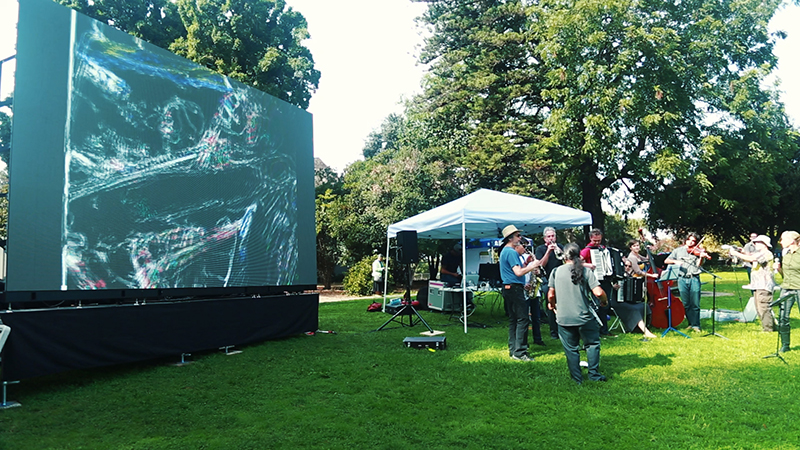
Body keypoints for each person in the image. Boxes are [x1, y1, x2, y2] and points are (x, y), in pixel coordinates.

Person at [547, 243, 608, 384]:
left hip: (563, 318)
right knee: (592, 344)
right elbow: (598, 292)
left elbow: (551, 294)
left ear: (564, 256)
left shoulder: (556, 271)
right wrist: (604, 301)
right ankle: (594, 375)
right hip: (584, 317)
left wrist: (552, 305)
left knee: (571, 349)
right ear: (578, 256)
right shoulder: (585, 272)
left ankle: (576, 379)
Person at [499, 224, 540, 361]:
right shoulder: (511, 252)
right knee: (523, 319)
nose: (520, 238)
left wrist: (525, 264)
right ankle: (520, 352)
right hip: (515, 289)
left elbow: (514, 270)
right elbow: (517, 272)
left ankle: (513, 349)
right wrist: (532, 266)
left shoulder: (504, 251)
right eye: (517, 235)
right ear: (510, 238)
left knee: (513, 320)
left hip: (508, 287)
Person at [728, 235, 776, 332]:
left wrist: (736, 253)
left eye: (758, 242)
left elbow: (752, 259)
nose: (755, 244)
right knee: (759, 308)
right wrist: (742, 252)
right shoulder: (761, 253)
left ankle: (768, 329)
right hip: (758, 285)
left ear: (764, 244)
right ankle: (770, 326)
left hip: (764, 285)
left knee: (764, 308)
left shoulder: (767, 253)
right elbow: (751, 256)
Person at [664, 232, 710, 332]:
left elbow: (698, 265)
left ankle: (696, 325)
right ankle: (690, 323)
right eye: (689, 240)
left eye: (693, 241)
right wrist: (676, 261)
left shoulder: (697, 251)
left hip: (694, 278)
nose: (691, 242)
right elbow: (666, 261)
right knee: (686, 303)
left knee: (695, 303)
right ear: (686, 240)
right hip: (682, 279)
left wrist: (701, 257)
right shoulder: (678, 251)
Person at [580, 228, 614, 336]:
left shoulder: (603, 249)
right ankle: (597, 330)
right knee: (597, 306)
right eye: (595, 241)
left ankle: (604, 330)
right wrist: (588, 265)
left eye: (599, 240)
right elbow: (576, 262)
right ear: (590, 238)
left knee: (605, 304)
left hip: (605, 278)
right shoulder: (587, 250)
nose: (597, 243)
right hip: (594, 280)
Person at [611, 257, 657, 338]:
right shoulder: (616, 276)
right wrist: (613, 287)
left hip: (628, 301)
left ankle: (642, 327)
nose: (627, 268)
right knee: (634, 309)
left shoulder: (631, 276)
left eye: (630, 266)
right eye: (626, 266)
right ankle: (645, 331)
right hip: (617, 302)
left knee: (644, 305)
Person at [536, 226, 564, 340]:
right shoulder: (540, 249)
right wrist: (548, 251)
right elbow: (541, 265)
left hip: (560, 278)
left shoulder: (560, 247)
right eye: (549, 236)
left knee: (562, 304)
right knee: (551, 305)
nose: (551, 238)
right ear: (544, 238)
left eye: (553, 236)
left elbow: (565, 259)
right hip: (546, 280)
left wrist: (559, 250)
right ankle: (554, 331)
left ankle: (563, 327)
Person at [775, 231, 800, 352]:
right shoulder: (786, 254)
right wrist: (779, 269)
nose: (780, 242)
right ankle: (785, 345)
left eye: (782, 239)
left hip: (799, 287)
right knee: (783, 317)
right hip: (786, 287)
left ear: (791, 241)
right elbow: (785, 275)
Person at [517, 238, 544, 346]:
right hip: (524, 289)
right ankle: (524, 341)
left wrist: (537, 271)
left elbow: (540, 272)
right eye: (524, 246)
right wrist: (524, 284)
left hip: (534, 290)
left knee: (536, 317)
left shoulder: (532, 257)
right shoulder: (518, 257)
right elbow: (518, 272)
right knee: (524, 318)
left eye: (527, 246)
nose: (526, 249)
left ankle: (538, 338)